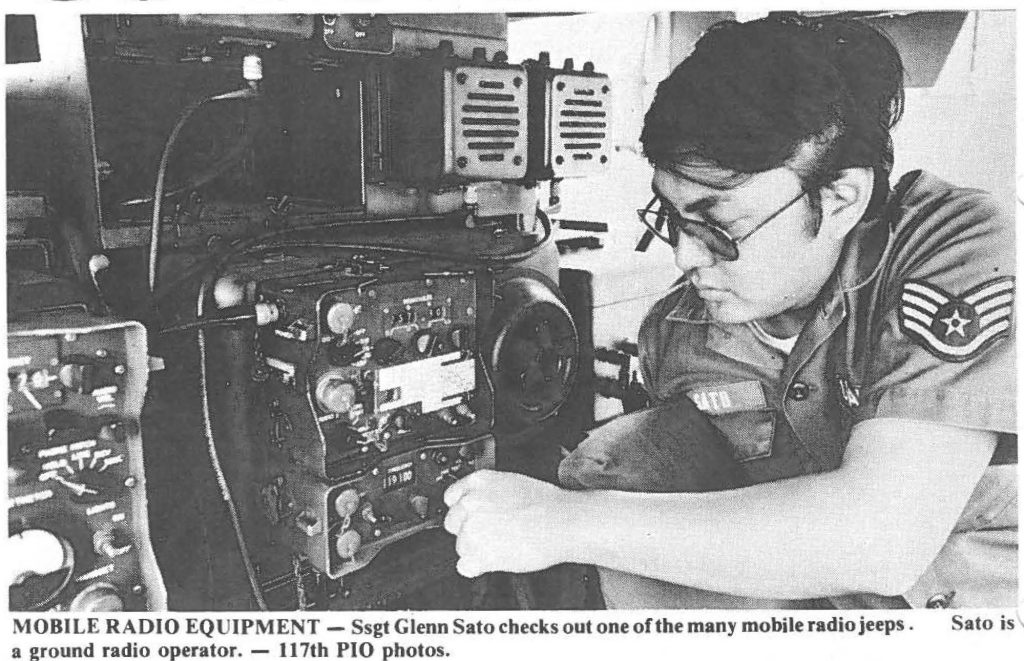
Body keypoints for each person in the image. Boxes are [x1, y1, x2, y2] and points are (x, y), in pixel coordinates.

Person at [444, 14, 1016, 608]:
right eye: (672, 217)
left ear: (841, 197)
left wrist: (563, 522)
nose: (686, 256)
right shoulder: (677, 336)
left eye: (720, 224)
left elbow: (882, 539)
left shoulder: (962, 245)